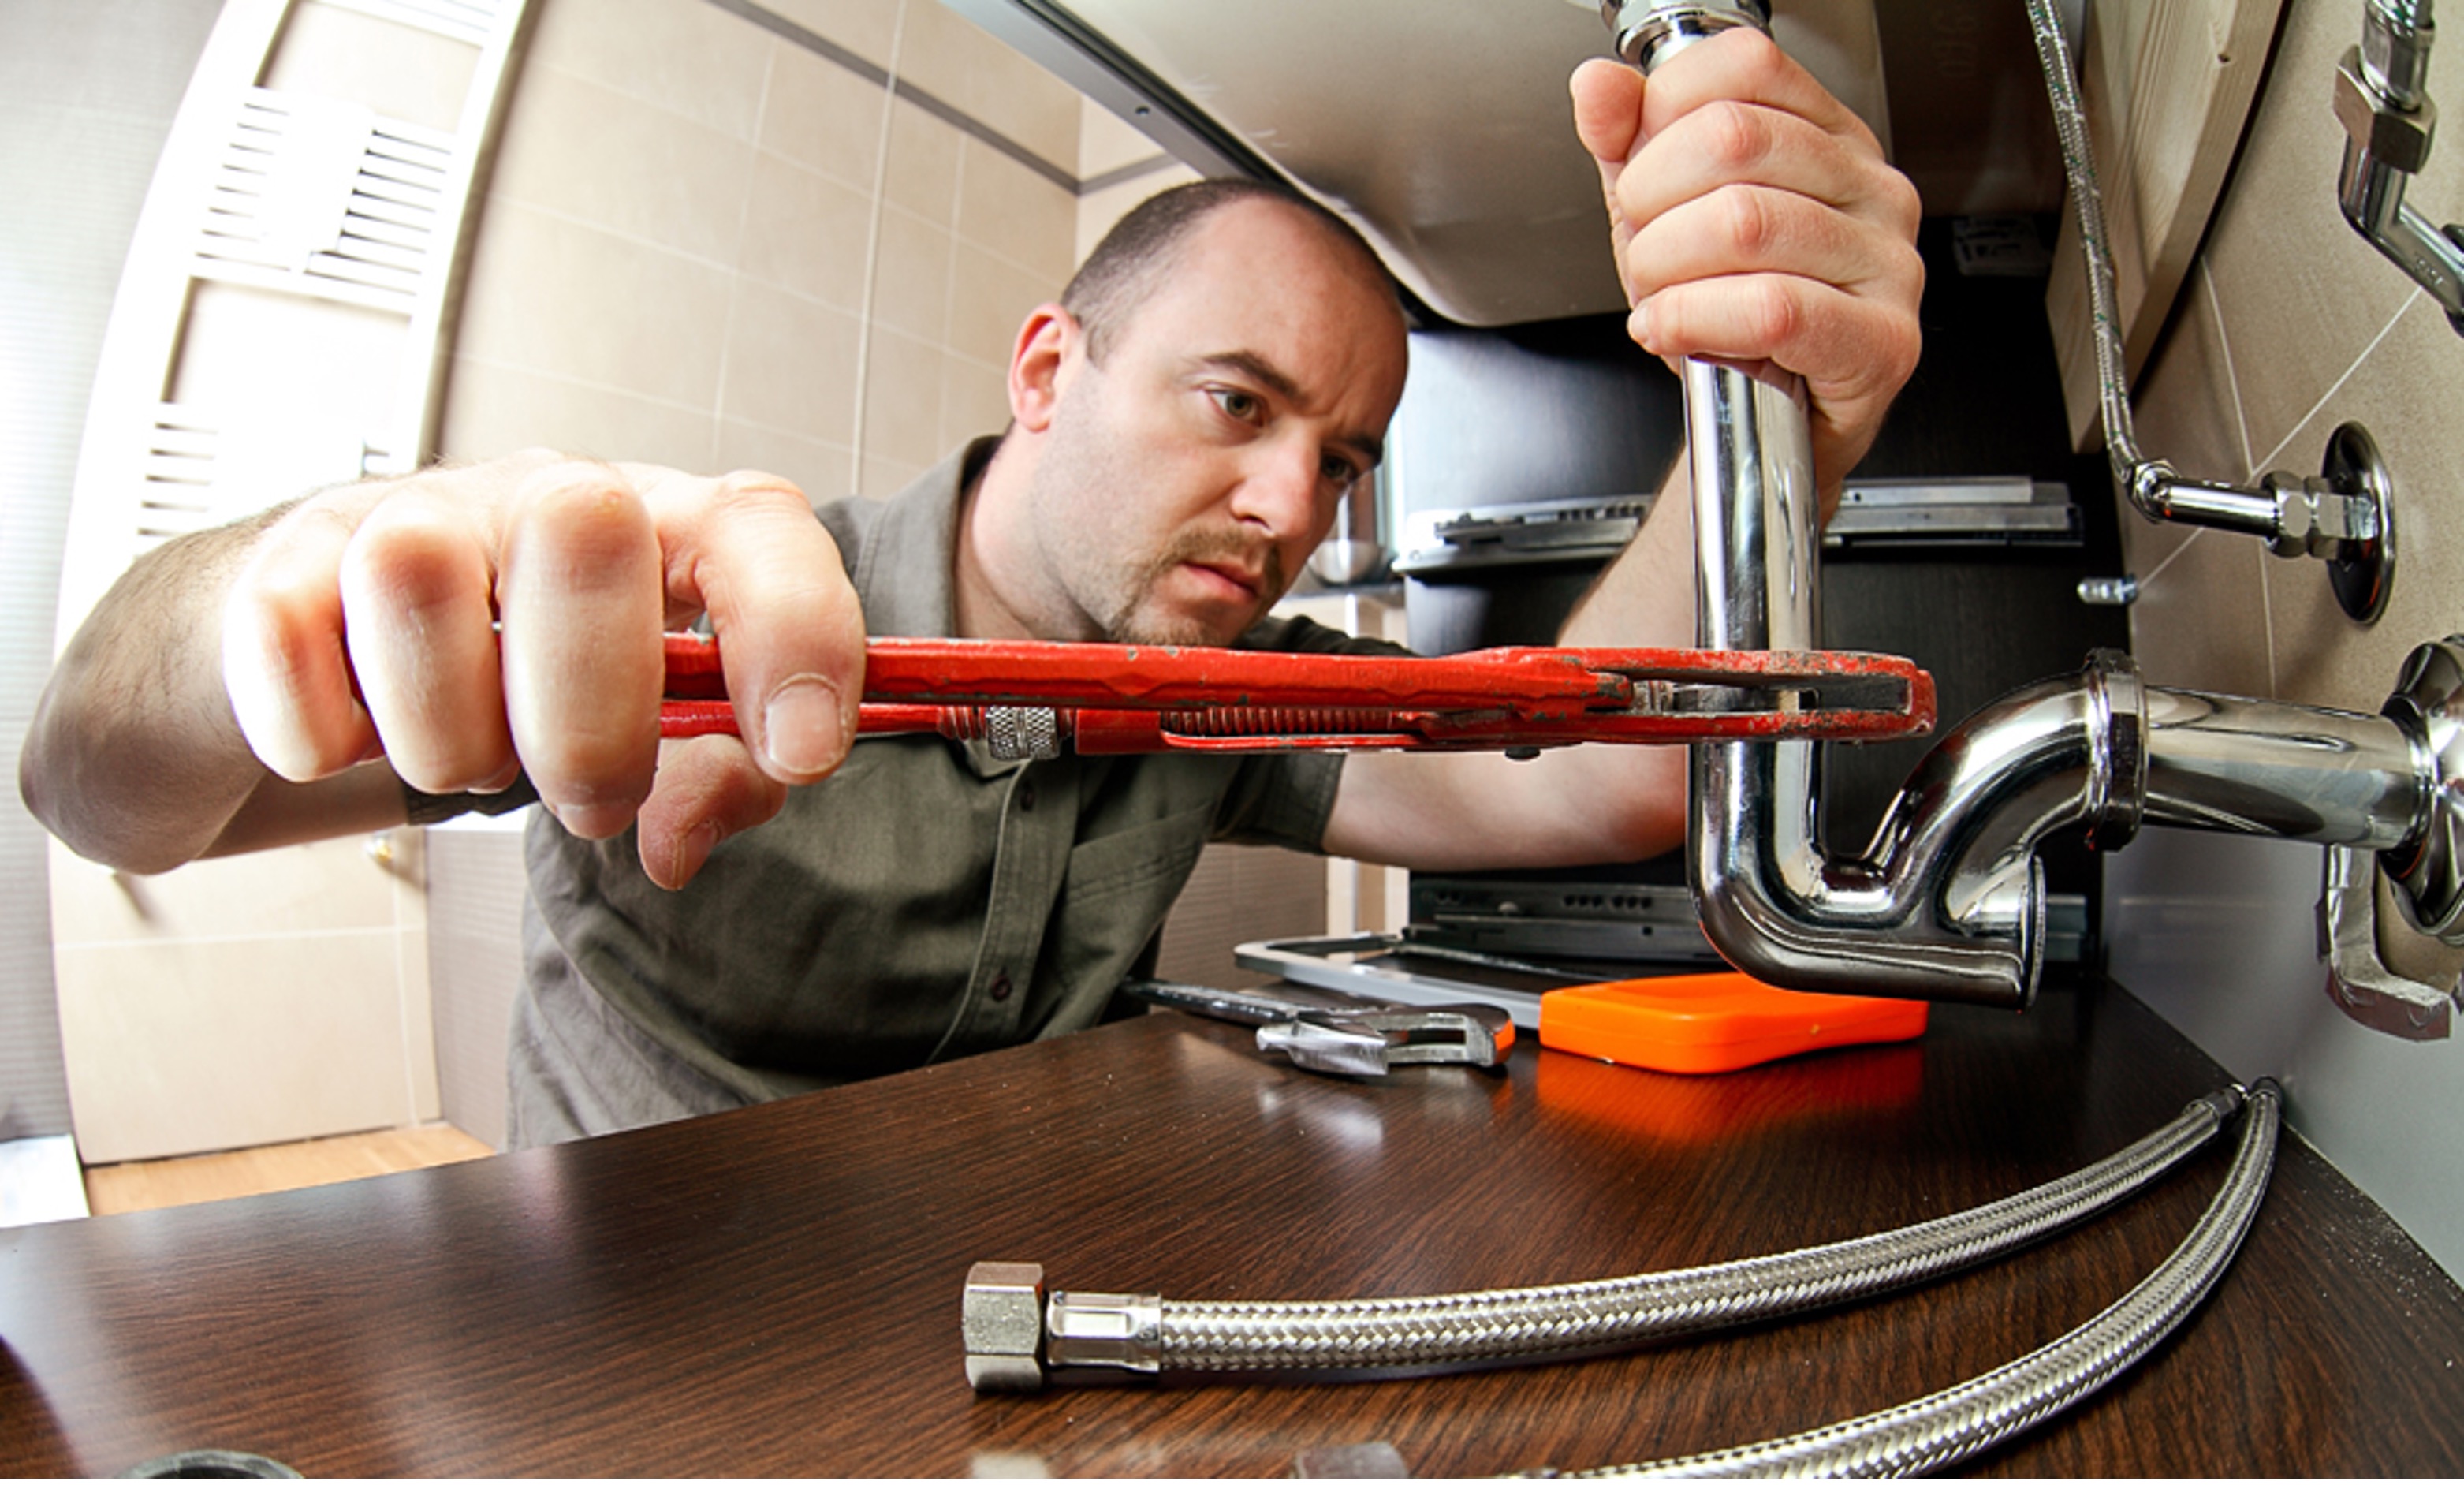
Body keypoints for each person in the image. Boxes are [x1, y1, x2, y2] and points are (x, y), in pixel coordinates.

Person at [20, 32, 1922, 1144]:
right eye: (1236, 404)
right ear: (1043, 372)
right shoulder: (696, 625)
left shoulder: (1227, 691)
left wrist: (1781, 418)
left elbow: (1595, 775)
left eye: (1340, 456)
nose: (1290, 504)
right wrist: (264, 607)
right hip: (623, 1354)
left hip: (1017, 1343)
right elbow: (101, 797)